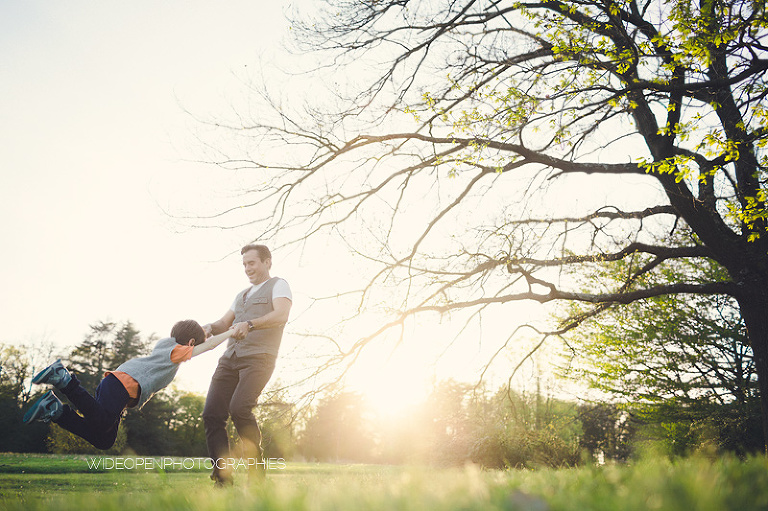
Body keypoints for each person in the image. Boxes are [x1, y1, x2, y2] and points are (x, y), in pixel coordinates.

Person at [23, 320, 233, 450]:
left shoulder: (168, 345)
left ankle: (56, 411)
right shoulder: (176, 352)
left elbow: (201, 339)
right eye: (194, 345)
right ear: (191, 343)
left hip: (116, 386)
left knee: (104, 440)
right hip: (120, 385)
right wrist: (231, 332)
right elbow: (209, 346)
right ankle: (64, 380)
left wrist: (206, 330)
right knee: (103, 422)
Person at [202, 243, 292, 486]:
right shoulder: (241, 295)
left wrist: (250, 324)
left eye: (251, 263)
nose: (247, 268)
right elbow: (224, 323)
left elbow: (281, 315)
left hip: (259, 358)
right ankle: (222, 478)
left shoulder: (278, 285)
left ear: (267, 262)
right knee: (211, 414)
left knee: (240, 408)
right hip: (229, 359)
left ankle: (257, 475)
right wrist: (208, 327)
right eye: (244, 264)